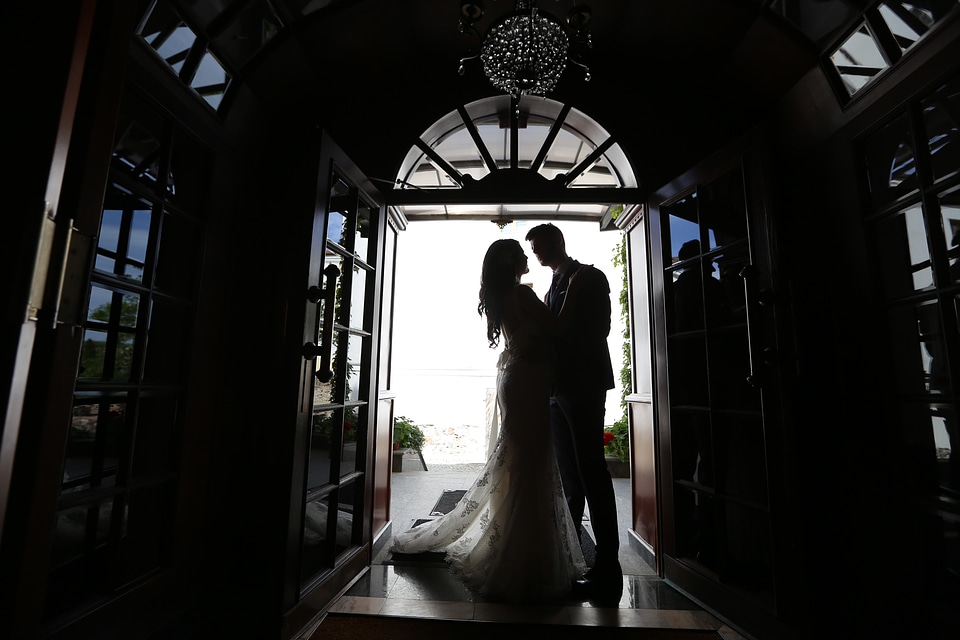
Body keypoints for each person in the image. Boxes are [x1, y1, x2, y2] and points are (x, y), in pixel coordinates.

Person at [391, 238, 586, 603]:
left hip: (516, 378)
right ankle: (525, 556)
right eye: (523, 254)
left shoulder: (500, 297)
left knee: (521, 462)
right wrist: (573, 287)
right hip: (527, 381)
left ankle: (521, 546)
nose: (528, 258)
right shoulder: (523, 294)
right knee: (530, 464)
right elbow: (558, 329)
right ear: (511, 261)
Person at [525, 223, 622, 603]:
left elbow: (601, 329)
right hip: (555, 388)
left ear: (557, 242)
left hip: (582, 385)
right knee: (570, 476)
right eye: (532, 246)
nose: (534, 250)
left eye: (539, 244)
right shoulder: (553, 284)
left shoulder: (589, 276)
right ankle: (572, 555)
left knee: (592, 471)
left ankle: (607, 565)